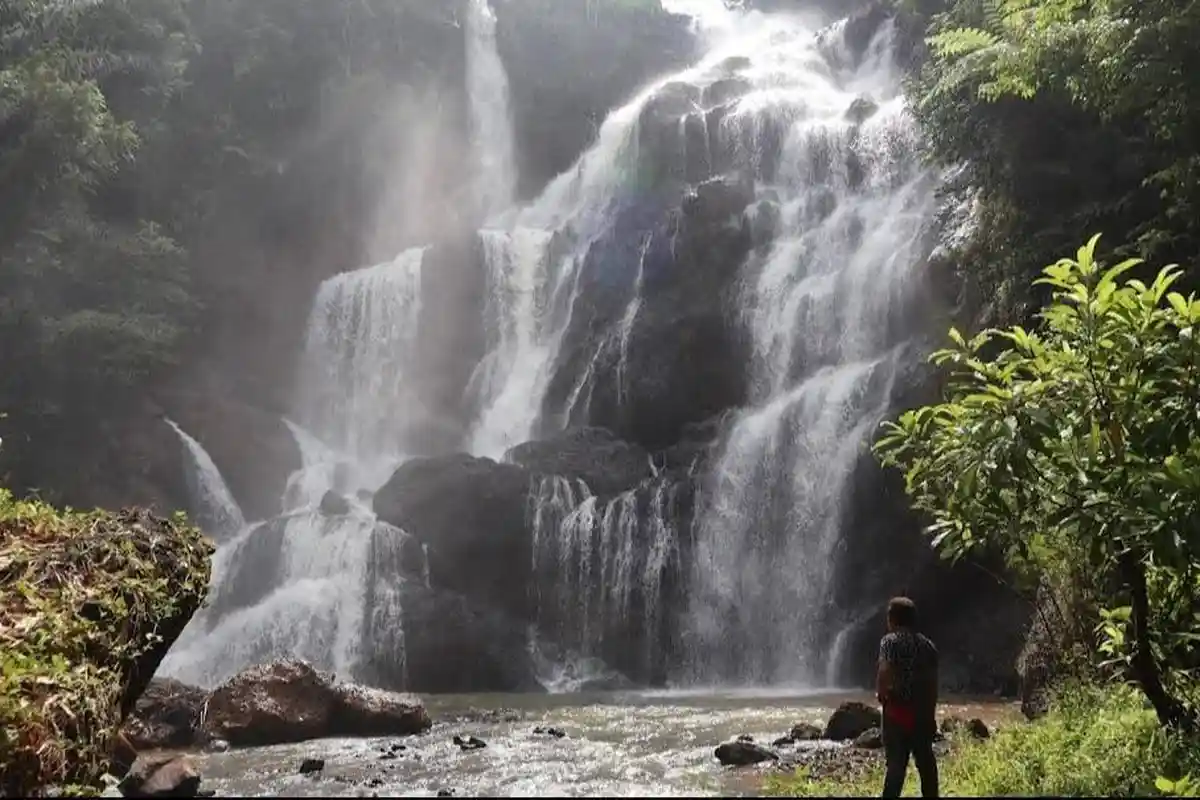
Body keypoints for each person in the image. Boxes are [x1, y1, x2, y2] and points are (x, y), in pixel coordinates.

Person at [876, 596, 939, 798]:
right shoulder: (928, 646)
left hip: (897, 712)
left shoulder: (889, 641)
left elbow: (885, 670)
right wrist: (930, 714)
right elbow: (932, 684)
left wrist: (881, 694)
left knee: (895, 766)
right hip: (922, 713)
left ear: (892, 619)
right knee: (926, 765)